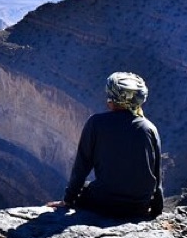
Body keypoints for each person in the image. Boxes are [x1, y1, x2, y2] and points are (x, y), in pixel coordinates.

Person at [49, 72, 163, 218]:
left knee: (85, 188)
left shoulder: (96, 123)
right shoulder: (149, 128)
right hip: (138, 206)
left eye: (109, 95)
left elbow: (82, 165)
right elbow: (156, 175)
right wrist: (156, 211)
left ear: (114, 99)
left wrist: (68, 200)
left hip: (104, 203)